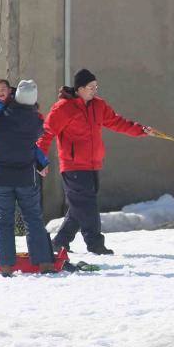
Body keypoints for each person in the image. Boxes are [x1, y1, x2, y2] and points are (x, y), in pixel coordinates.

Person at [38, 69, 156, 255]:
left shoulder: (98, 106)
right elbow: (46, 133)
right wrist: (40, 160)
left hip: (93, 165)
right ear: (80, 89)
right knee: (88, 206)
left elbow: (117, 122)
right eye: (91, 87)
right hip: (73, 166)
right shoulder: (63, 108)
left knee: (80, 207)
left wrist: (140, 130)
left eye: (96, 87)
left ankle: (59, 242)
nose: (95, 90)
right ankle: (95, 244)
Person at [0, 79, 55, 276]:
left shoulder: (1, 116)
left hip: (1, 176)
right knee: (33, 218)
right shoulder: (36, 122)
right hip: (26, 176)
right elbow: (38, 137)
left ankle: (5, 265)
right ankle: (43, 262)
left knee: (4, 220)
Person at [0, 79, 49, 181]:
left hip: (15, 131)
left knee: (31, 145)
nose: (0, 92)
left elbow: (26, 110)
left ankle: (43, 163)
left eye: (3, 89)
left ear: (9, 90)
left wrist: (34, 116)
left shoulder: (15, 101)